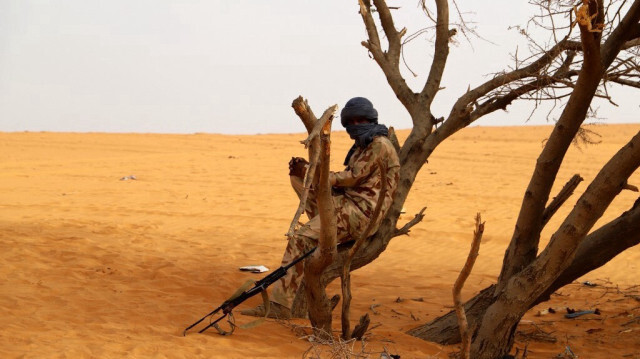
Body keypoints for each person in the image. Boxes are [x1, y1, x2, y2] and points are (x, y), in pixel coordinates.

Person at [241, 97, 400, 318]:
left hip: (361, 214)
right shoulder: (362, 145)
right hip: (346, 204)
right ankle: (321, 227)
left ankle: (280, 306)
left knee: (300, 239)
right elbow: (345, 181)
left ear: (370, 119)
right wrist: (307, 173)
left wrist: (315, 172)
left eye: (360, 120)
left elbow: (353, 177)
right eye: (350, 122)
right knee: (299, 179)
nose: (355, 125)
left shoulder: (379, 145)